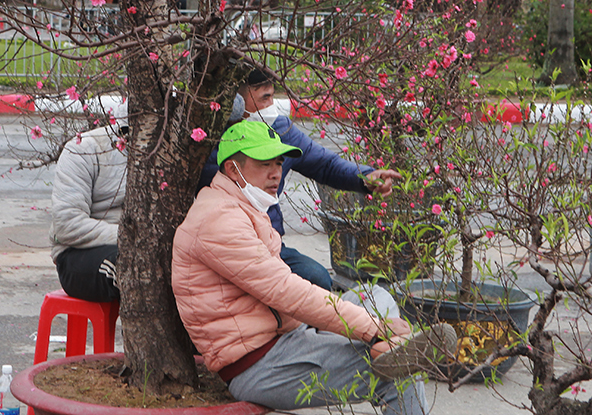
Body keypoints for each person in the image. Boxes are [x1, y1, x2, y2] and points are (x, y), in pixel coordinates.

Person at [173, 120, 455, 415]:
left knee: (375, 296)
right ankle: (389, 349)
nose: (276, 173)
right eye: (264, 163)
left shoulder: (241, 205)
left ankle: (389, 348)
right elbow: (286, 292)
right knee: (400, 371)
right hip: (259, 364)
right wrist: (373, 329)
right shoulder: (219, 220)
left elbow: (287, 297)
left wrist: (375, 330)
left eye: (279, 163)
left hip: (285, 338)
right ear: (233, 169)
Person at [199, 69, 402, 289]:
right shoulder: (206, 138)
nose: (271, 107)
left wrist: (363, 177)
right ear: (234, 103)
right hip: (223, 247)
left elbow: (324, 164)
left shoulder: (280, 131)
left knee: (316, 278)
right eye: (264, 98)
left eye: (272, 97)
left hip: (270, 244)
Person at [48, 106, 127, 302]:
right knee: (133, 267)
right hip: (77, 253)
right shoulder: (83, 148)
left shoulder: (174, 153)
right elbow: (67, 225)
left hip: (138, 244)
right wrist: (132, 238)